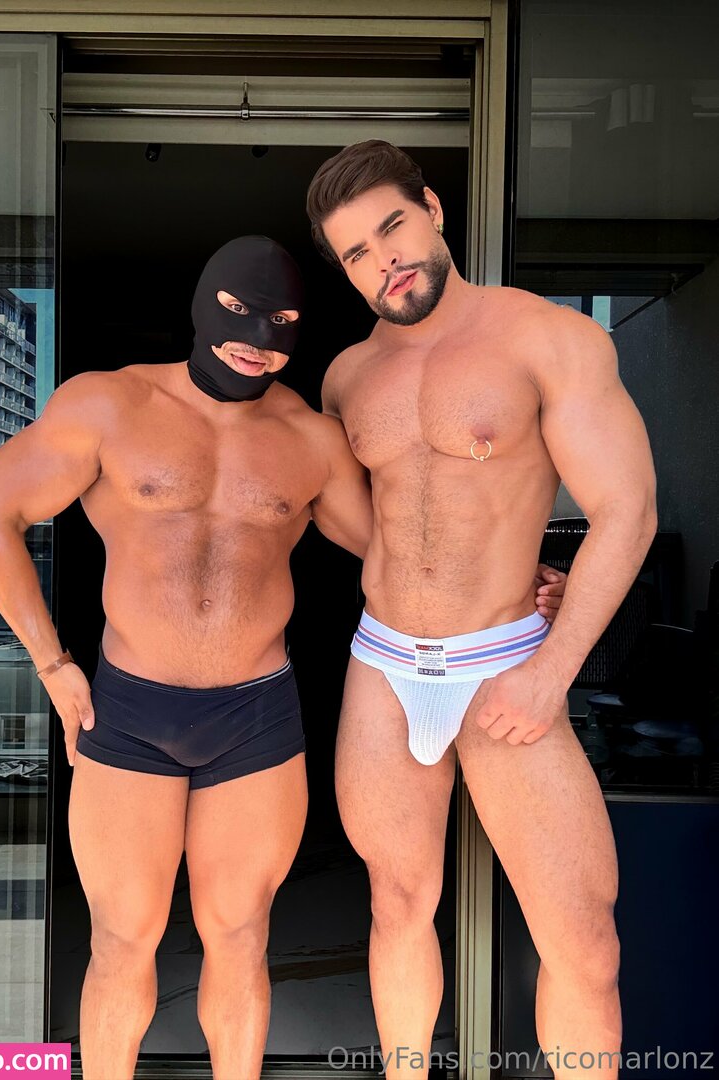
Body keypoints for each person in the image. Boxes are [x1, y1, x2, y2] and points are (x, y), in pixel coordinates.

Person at [0, 235, 565, 1080]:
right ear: (203, 305)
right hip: (128, 710)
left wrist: (524, 581)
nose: (257, 338)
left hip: (255, 717)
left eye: (280, 321)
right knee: (122, 940)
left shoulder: (312, 438)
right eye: (239, 311)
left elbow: (402, 549)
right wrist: (54, 665)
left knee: (241, 936)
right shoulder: (107, 404)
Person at [305, 141, 657, 1080]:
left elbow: (627, 509)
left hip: (508, 659)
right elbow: (351, 516)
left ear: (432, 209)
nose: (384, 259)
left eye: (392, 227)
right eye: (357, 253)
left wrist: (551, 668)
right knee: (396, 905)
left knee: (583, 940)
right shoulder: (344, 379)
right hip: (384, 665)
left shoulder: (548, 338)